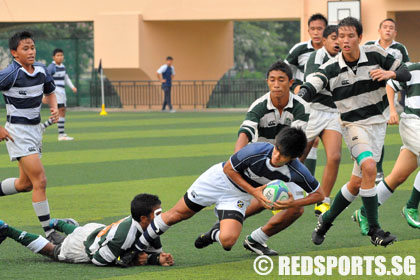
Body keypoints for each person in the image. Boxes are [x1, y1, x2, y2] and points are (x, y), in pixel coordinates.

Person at [118, 127, 316, 266]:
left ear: (293, 159)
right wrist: (255, 192)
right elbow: (230, 170)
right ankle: (136, 249)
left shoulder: (297, 171)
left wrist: (294, 202)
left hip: (237, 194)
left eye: (282, 156)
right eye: (276, 150)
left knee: (228, 241)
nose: (276, 157)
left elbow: (320, 194)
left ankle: (213, 234)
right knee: (178, 214)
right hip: (217, 179)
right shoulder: (256, 150)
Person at [298, 17, 411, 247]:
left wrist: (391, 74)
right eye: (341, 36)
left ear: (360, 38)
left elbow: (406, 72)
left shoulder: (376, 54)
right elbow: (313, 84)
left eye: (351, 36)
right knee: (369, 166)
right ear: (337, 39)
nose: (345, 40)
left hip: (377, 126)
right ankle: (375, 230)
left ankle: (326, 221)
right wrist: (299, 98)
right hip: (352, 126)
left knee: (356, 184)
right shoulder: (330, 68)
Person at [0, 31, 64, 244]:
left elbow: (50, 92)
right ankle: (50, 233)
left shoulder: (42, 70)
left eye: (32, 48)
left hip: (35, 131)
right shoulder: (10, 73)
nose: (30, 52)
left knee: (25, 184)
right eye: (25, 49)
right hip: (18, 132)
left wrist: (54, 107)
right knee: (40, 180)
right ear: (14, 53)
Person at [0, 193, 174, 267]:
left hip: (98, 232)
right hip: (84, 248)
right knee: (54, 251)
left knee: (79, 231)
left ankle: (60, 224)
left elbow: (149, 251)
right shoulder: (124, 236)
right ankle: (8, 230)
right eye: (157, 213)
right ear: (143, 218)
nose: (162, 216)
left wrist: (158, 258)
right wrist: (131, 259)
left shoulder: (151, 227)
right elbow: (99, 260)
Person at [352, 62, 420, 235]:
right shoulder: (413, 69)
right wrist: (392, 110)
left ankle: (364, 212)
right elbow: (390, 84)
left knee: (398, 176)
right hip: (413, 123)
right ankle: (411, 207)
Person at [364, 18, 410, 184]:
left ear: (395, 33)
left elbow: (407, 69)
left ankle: (378, 169)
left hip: (387, 94)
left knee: (379, 133)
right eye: (385, 27)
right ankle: (366, 166)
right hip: (368, 94)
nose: (388, 30)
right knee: (365, 133)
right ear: (379, 30)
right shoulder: (369, 45)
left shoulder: (399, 49)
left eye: (391, 28)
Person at [304, 25, 342, 216]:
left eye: (341, 38)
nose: (338, 41)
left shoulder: (345, 58)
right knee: (298, 157)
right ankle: (287, 195)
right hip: (313, 110)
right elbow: (313, 83)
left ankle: (323, 200)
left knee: (334, 157)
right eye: (334, 38)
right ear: (325, 40)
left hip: (334, 112)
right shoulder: (317, 57)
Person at [286, 13, 328, 178]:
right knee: (307, 140)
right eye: (313, 29)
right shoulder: (300, 49)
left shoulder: (332, 50)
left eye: (320, 29)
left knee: (315, 142)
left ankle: (305, 179)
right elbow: (286, 71)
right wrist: (295, 87)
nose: (316, 32)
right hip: (304, 100)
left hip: (327, 103)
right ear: (308, 30)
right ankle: (301, 177)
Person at [235, 60, 309, 153]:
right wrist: (236, 159)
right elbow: (245, 132)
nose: (276, 85)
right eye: (272, 80)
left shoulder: (301, 107)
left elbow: (294, 141)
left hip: (286, 154)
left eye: (281, 80)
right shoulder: (258, 106)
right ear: (267, 82)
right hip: (259, 156)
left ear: (290, 83)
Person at [41, 48, 77, 141]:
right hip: (55, 92)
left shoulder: (63, 66)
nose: (60, 57)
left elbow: (66, 78)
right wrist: (44, 95)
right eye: (58, 55)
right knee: (59, 111)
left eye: (61, 55)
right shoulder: (52, 67)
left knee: (62, 111)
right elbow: (45, 80)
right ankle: (61, 135)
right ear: (54, 57)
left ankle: (43, 127)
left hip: (62, 92)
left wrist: (72, 87)